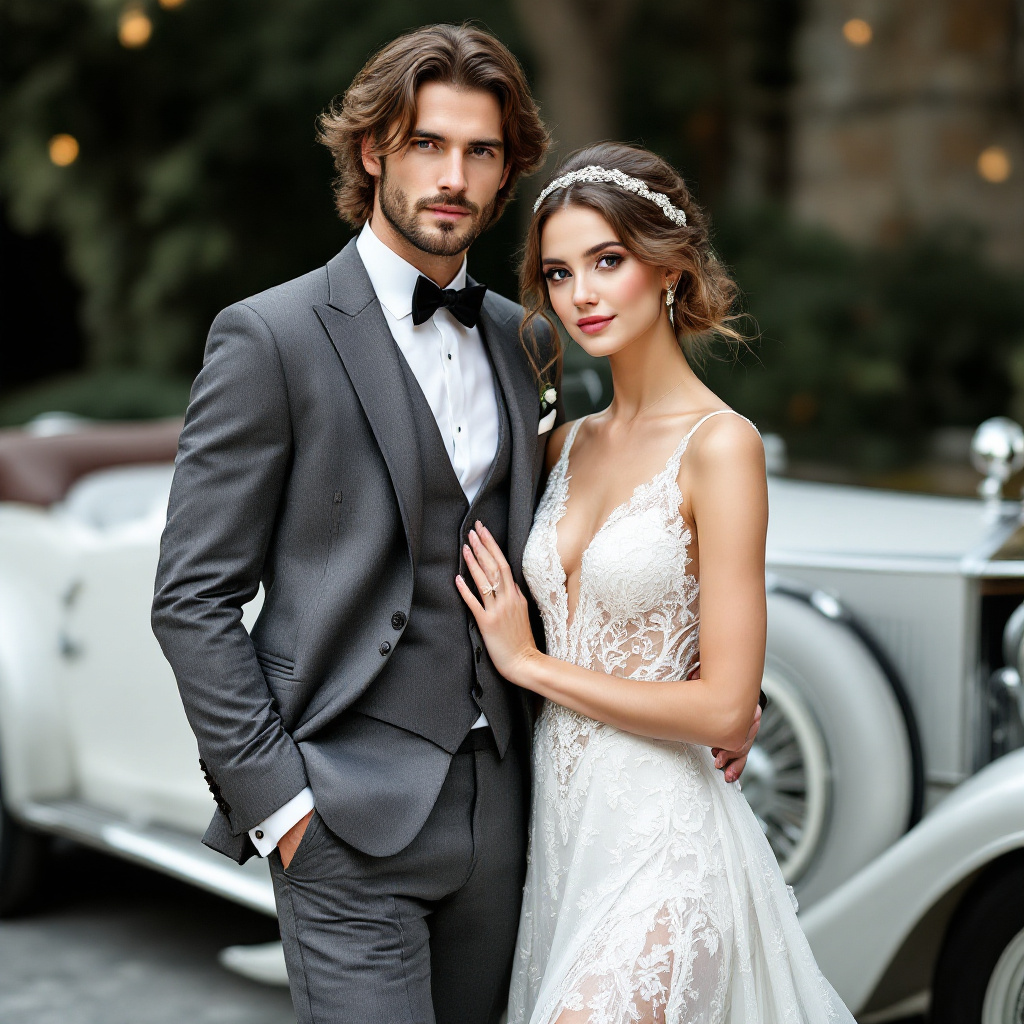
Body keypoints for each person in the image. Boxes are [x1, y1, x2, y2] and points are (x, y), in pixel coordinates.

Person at [152, 25, 759, 1024]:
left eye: (480, 152)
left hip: (520, 816)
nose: (453, 175)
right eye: (427, 143)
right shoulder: (271, 337)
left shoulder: (527, 341)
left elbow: (591, 556)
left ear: (507, 170)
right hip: (341, 815)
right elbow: (190, 600)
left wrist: (714, 687)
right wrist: (282, 808)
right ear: (372, 152)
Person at [456, 142, 856, 1024]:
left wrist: (532, 665)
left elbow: (723, 708)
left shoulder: (721, 446)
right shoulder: (561, 444)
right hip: (563, 845)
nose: (582, 294)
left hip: (667, 842)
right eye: (558, 274)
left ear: (668, 268)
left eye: (609, 261)